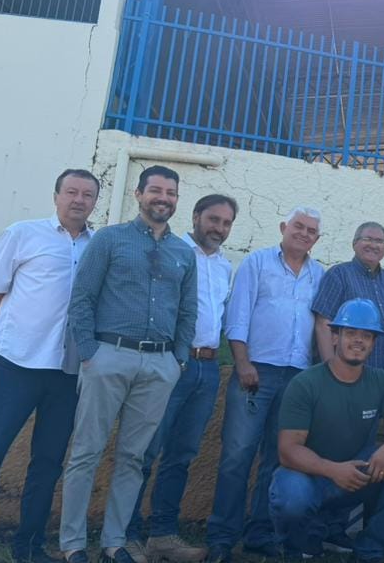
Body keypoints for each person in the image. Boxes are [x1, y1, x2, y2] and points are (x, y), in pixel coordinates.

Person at [0, 169, 99, 563]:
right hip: (17, 365)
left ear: (95, 202)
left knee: (48, 463)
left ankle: (29, 547)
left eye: (87, 194)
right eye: (71, 192)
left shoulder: (98, 246)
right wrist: (14, 338)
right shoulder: (23, 234)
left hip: (67, 372)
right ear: (56, 196)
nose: (78, 200)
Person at [61, 165, 196, 563]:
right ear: (138, 194)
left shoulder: (183, 253)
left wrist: (178, 360)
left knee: (133, 458)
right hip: (108, 356)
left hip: (159, 365)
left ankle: (114, 542)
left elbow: (188, 312)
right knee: (86, 452)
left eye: (170, 193)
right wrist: (90, 353)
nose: (163, 198)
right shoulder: (110, 239)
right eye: (156, 190)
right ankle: (73, 545)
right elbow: (82, 298)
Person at [206, 207, 325, 562]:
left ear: (317, 239)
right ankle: (221, 538)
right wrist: (242, 363)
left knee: (277, 457)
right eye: (298, 226)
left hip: (298, 377)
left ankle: (260, 534)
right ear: (283, 227)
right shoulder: (257, 263)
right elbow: (237, 317)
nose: (304, 234)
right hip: (256, 371)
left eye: (311, 231)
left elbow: (321, 326)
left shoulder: (318, 274)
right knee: (237, 455)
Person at [124, 194, 238, 563]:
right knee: (146, 450)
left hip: (207, 367)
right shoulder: (171, 252)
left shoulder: (224, 266)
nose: (219, 228)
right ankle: (126, 535)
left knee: (181, 455)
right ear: (196, 216)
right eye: (213, 219)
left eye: (226, 223)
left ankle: (162, 536)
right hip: (171, 361)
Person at [269, 298, 384, 563]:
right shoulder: (306, 383)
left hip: (355, 473)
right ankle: (297, 547)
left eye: (366, 335)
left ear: (373, 343)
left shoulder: (380, 381)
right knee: (291, 496)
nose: (358, 341)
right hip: (311, 476)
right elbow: (288, 450)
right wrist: (333, 470)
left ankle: (370, 548)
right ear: (334, 337)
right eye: (351, 333)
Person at [313, 221, 384, 373]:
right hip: (345, 374)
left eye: (379, 241)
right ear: (354, 244)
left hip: (383, 375)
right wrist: (330, 371)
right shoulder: (338, 274)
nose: (373, 245)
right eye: (367, 239)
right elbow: (323, 324)